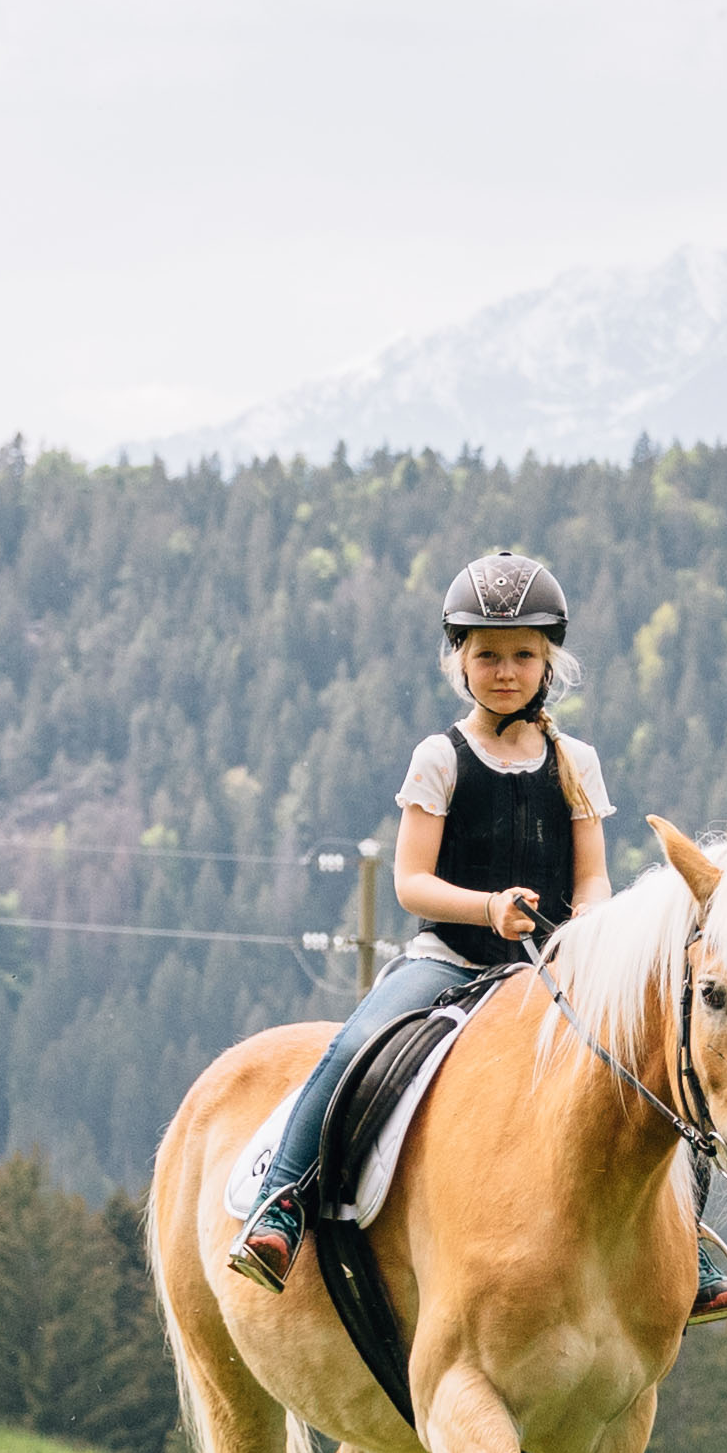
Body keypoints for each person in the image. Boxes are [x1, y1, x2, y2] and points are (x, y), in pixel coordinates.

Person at [219, 551, 610, 1293]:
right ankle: (282, 1201)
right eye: (487, 655)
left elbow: (591, 875)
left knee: (644, 1057)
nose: (505, 672)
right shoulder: (441, 758)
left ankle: (685, 1242)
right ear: (459, 661)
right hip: (449, 961)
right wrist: (488, 909)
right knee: (355, 1044)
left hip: (551, 967)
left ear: (548, 662)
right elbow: (411, 885)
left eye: (523, 656)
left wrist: (588, 927)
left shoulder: (576, 762)